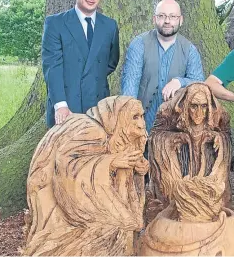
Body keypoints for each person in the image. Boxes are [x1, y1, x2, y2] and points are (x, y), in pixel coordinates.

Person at [24, 96, 149, 255]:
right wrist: (111, 162)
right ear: (119, 116)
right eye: (135, 117)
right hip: (53, 194)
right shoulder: (93, 131)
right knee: (114, 227)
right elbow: (67, 167)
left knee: (123, 224)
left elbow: (123, 166)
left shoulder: (115, 131)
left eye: (142, 116)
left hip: (82, 192)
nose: (141, 124)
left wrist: (138, 168)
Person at [42, 0, 120, 128]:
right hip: (66, 108)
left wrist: (92, 78)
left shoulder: (110, 26)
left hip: (98, 109)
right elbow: (52, 67)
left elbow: (111, 62)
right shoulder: (55, 24)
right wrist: (60, 105)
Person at [121, 0, 204, 132]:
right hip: (142, 126)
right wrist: (131, 121)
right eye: (162, 16)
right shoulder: (139, 45)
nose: (167, 21)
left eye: (172, 16)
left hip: (176, 128)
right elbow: (130, 87)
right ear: (154, 19)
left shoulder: (190, 50)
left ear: (180, 20)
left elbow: (200, 85)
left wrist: (180, 82)